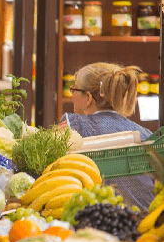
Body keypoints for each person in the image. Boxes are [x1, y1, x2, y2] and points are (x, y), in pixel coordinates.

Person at [61, 62, 154, 210]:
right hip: (147, 222)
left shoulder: (73, 125)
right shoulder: (146, 134)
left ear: (89, 98)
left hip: (97, 220)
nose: (72, 95)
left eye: (74, 89)